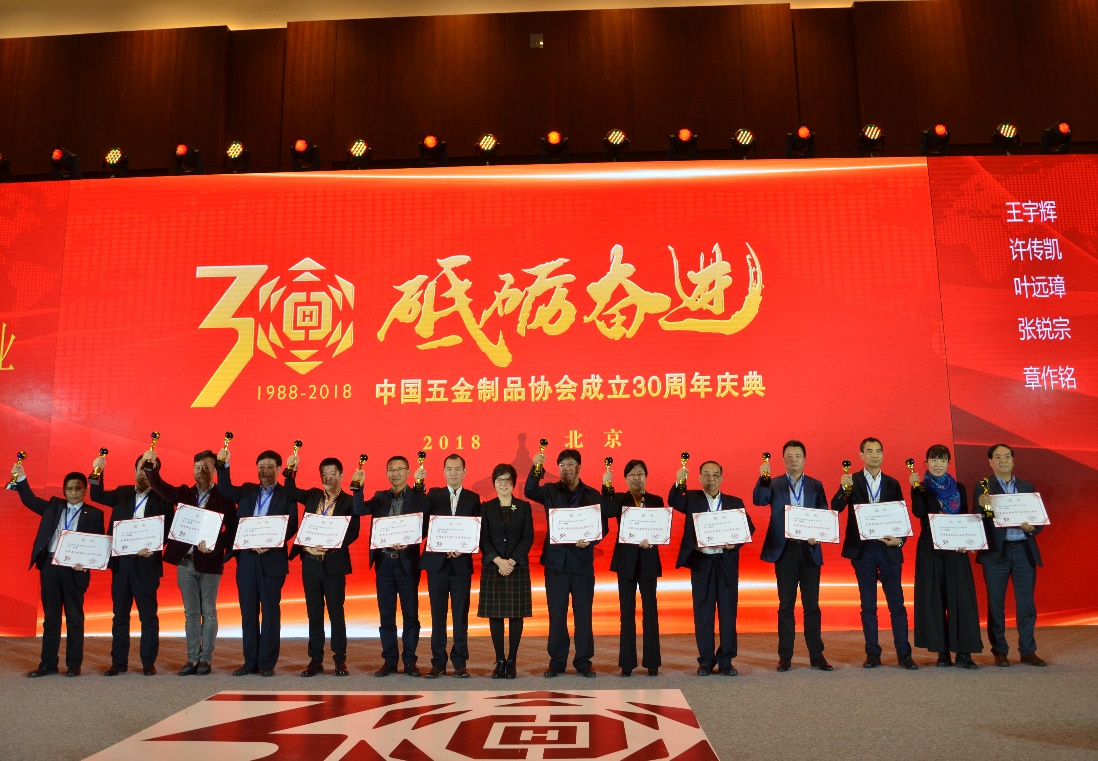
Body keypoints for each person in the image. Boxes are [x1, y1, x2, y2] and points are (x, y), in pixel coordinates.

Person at [145, 449, 237, 675]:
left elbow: (232, 530)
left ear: (214, 470)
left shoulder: (224, 497)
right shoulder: (184, 493)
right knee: (191, 613)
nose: (201, 471)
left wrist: (215, 546)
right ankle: (192, 658)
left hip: (210, 562)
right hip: (185, 562)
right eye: (197, 467)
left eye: (206, 467)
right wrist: (152, 468)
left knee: (209, 611)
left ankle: (206, 659)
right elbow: (159, 486)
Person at [831, 438, 918, 670]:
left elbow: (901, 515)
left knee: (897, 605)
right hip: (863, 550)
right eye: (869, 451)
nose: (874, 455)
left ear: (883, 454)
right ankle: (872, 654)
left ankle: (904, 654)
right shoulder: (852, 480)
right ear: (861, 455)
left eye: (878, 451)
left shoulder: (892, 483)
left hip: (888, 548)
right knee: (868, 605)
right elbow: (836, 507)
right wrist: (843, 489)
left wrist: (900, 540)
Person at [12, 464, 104, 677]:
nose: (73, 493)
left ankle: (74, 664)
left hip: (75, 570)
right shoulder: (53, 506)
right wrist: (21, 477)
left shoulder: (95, 514)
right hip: (50, 567)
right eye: (69, 489)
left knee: (74, 618)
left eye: (78, 488)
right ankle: (48, 664)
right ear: (64, 491)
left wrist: (87, 562)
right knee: (51, 618)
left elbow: (99, 544)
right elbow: (30, 500)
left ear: (85, 490)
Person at [89, 453, 173, 676]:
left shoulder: (163, 499)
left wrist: (155, 546)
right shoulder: (122, 493)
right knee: (120, 616)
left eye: (149, 469)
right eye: (140, 468)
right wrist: (98, 470)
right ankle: (118, 662)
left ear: (155, 473)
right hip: (122, 564)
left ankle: (148, 662)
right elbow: (96, 495)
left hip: (147, 564)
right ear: (134, 470)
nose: (143, 473)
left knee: (148, 617)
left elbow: (168, 532)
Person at [754, 439, 833, 671]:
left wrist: (818, 534)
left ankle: (816, 655)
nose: (793, 460)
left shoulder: (816, 485)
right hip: (785, 550)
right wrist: (763, 478)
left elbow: (823, 514)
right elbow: (759, 500)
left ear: (804, 459)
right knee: (786, 605)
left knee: (812, 606)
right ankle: (785, 656)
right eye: (789, 456)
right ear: (783, 460)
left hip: (809, 550)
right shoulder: (774, 483)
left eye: (797, 456)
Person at [670, 459, 754, 676]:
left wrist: (736, 543)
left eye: (715, 475)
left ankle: (726, 660)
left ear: (722, 478)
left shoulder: (734, 502)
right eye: (706, 474)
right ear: (699, 478)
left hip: (726, 562)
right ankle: (706, 660)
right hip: (702, 563)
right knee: (703, 612)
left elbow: (749, 528)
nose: (711, 479)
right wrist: (680, 480)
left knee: (728, 611)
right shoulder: (691, 499)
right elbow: (673, 500)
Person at [217, 448, 297, 677]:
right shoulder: (246, 490)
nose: (265, 471)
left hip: (272, 559)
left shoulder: (287, 494)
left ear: (279, 469)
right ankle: (249, 661)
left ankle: (267, 663)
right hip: (247, 559)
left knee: (270, 613)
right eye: (261, 467)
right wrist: (223, 465)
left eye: (270, 466)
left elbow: (292, 524)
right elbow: (224, 489)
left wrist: (271, 542)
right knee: (248, 612)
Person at [525, 448, 604, 678]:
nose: (566, 469)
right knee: (557, 614)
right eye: (562, 465)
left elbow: (603, 527)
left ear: (579, 467)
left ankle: (583, 661)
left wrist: (590, 542)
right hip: (556, 564)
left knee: (583, 615)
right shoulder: (550, 490)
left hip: (582, 564)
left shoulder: (592, 495)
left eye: (570, 464)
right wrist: (537, 467)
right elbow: (529, 490)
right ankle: (557, 661)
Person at [352, 455, 428, 676]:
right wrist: (358, 486)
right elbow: (359, 509)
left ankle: (410, 661)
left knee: (410, 615)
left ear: (408, 472)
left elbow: (425, 523)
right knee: (386, 616)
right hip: (384, 564)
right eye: (391, 470)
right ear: (386, 474)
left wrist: (410, 540)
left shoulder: (417, 497)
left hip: (407, 563)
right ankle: (389, 661)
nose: (395, 473)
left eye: (399, 469)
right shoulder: (379, 497)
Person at [910, 443, 983, 669]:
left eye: (942, 460)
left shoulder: (959, 488)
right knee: (935, 599)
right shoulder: (921, 487)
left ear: (948, 463)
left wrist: (965, 542)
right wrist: (917, 489)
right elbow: (919, 512)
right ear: (926, 463)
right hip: (930, 549)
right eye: (934, 459)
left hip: (956, 550)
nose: (938, 464)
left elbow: (965, 517)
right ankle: (942, 652)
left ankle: (964, 652)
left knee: (961, 599)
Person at [286, 456, 360, 677]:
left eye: (332, 474)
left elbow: (354, 531)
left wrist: (332, 542)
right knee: (314, 615)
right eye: (324, 474)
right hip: (310, 564)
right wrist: (291, 470)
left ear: (341, 475)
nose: (328, 478)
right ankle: (315, 660)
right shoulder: (313, 495)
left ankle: (340, 660)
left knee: (336, 614)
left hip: (333, 565)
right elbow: (290, 492)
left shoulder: (349, 502)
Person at [975, 444, 1046, 667]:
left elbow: (1037, 519)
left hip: (1024, 549)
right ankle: (1000, 651)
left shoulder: (1026, 486)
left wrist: (1033, 528)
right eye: (998, 457)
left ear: (1013, 460)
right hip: (997, 552)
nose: (1003, 460)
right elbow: (980, 519)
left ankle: (1028, 650)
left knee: (1026, 604)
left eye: (1007, 456)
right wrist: (983, 507)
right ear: (990, 462)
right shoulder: (983, 485)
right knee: (996, 604)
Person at [417, 453, 481, 678]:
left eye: (457, 469)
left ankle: (460, 663)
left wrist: (465, 548)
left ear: (465, 472)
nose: (453, 473)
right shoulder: (433, 495)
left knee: (461, 615)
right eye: (449, 469)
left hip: (461, 565)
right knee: (438, 616)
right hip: (437, 565)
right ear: (443, 472)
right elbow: (421, 515)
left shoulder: (473, 498)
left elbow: (477, 531)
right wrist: (419, 485)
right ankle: (438, 662)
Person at [601, 459, 664, 677]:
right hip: (626, 562)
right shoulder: (619, 499)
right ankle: (627, 663)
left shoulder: (656, 500)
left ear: (646, 477)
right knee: (626, 612)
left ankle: (652, 662)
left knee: (650, 611)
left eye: (640, 474)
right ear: (626, 479)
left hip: (648, 560)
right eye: (632, 475)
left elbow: (661, 527)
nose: (636, 478)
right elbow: (607, 511)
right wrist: (606, 486)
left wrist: (653, 539)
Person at [478, 463, 534, 679]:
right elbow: (483, 538)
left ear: (513, 483)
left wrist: (511, 561)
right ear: (494, 483)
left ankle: (512, 661)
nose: (503, 484)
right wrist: (498, 561)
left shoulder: (524, 507)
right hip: (493, 567)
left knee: (516, 615)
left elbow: (527, 537)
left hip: (516, 567)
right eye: (499, 480)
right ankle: (499, 660)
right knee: (495, 615)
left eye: (507, 480)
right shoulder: (486, 507)